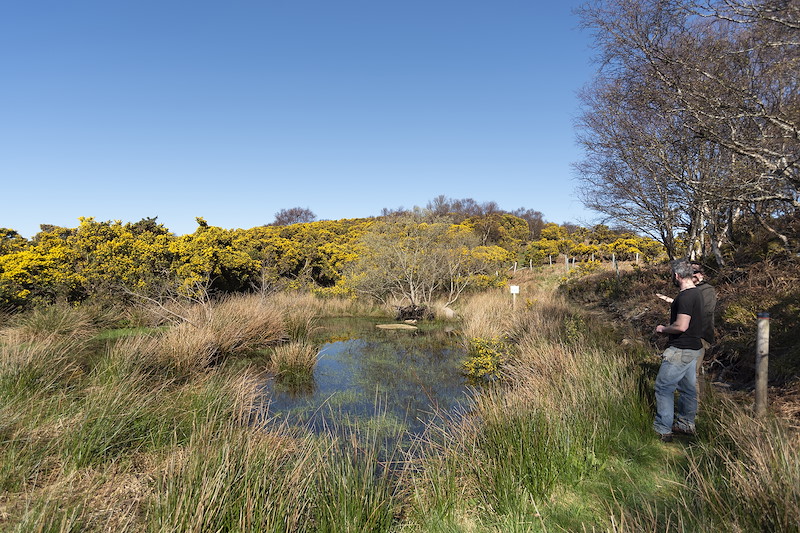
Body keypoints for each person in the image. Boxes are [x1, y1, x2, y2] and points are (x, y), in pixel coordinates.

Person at [653, 259, 705, 442]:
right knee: (688, 389)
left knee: (663, 388)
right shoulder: (697, 293)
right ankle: (685, 423)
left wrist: (663, 329)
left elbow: (681, 326)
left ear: (677, 275)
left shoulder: (684, 297)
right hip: (694, 348)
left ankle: (662, 429)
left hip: (681, 349)